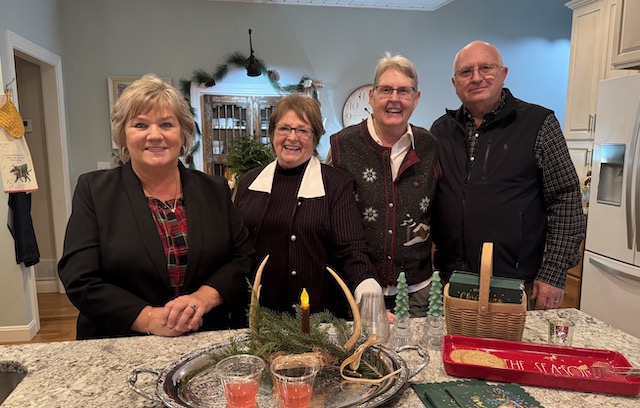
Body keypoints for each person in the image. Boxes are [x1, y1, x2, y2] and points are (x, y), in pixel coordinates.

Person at [58, 74, 254, 339]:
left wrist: (203, 298)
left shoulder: (214, 189)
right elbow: (80, 278)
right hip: (121, 339)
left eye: (166, 124)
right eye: (140, 125)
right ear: (123, 136)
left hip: (203, 335)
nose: (155, 135)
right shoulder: (94, 191)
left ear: (183, 134)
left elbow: (243, 259)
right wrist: (149, 318)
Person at [430, 40, 586, 310]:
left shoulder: (538, 124)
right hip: (451, 282)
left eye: (486, 68)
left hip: (516, 284)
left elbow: (566, 197)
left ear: (503, 74)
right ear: (455, 83)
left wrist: (553, 272)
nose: (476, 77)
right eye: (466, 72)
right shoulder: (441, 131)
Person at [234, 94, 382, 318]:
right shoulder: (249, 182)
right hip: (255, 315)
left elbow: (352, 249)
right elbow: (235, 248)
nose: (292, 137)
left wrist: (368, 292)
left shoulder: (335, 184)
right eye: (284, 128)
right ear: (273, 134)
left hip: (316, 318)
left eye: (303, 130)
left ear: (315, 137)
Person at [328, 52, 441, 317]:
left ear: (416, 98)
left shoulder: (429, 146)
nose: (394, 98)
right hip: (354, 291)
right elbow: (328, 218)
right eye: (386, 89)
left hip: (417, 292)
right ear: (372, 96)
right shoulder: (342, 146)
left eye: (404, 91)